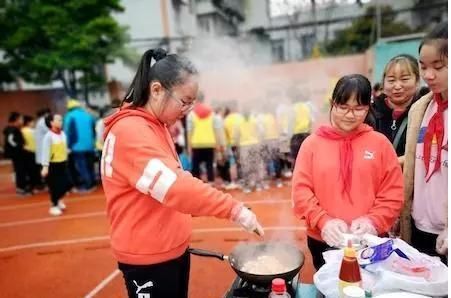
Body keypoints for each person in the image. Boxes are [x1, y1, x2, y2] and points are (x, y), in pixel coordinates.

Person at [100, 48, 263, 298]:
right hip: (148, 257)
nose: (187, 109)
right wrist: (234, 209)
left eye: (192, 102)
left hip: (168, 248)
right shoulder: (131, 132)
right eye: (184, 101)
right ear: (156, 90)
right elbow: (176, 187)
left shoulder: (157, 126)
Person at [292, 74, 404, 270]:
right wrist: (323, 221)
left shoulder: (380, 144)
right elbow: (301, 191)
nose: (350, 115)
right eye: (343, 107)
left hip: (370, 241)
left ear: (368, 108)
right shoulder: (312, 144)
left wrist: (373, 221)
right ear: (332, 103)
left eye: (358, 108)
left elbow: (393, 193)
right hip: (323, 240)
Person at [400, 22, 448, 264]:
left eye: (439, 67)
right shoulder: (420, 109)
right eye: (424, 67)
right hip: (419, 228)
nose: (429, 75)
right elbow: (415, 160)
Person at [374, 54, 420, 163]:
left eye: (404, 79)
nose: (397, 86)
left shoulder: (426, 112)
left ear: (417, 81)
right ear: (383, 84)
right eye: (391, 80)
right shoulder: (371, 111)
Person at [41, 114, 71, 216]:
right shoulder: (48, 136)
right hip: (53, 165)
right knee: (55, 186)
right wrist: (45, 167)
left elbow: (64, 146)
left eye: (61, 120)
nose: (61, 122)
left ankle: (58, 200)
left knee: (65, 184)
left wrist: (66, 152)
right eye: (58, 120)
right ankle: (54, 205)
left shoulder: (62, 134)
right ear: (51, 123)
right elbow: (45, 152)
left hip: (63, 163)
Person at [63, 99, 96, 191]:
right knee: (90, 165)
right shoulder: (88, 115)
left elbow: (68, 132)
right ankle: (93, 183)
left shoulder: (69, 116)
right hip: (90, 145)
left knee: (82, 166)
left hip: (77, 146)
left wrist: (68, 146)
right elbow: (93, 131)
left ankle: (87, 185)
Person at [186, 92, 218, 183]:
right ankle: (211, 183)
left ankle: (197, 184)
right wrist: (217, 143)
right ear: (204, 99)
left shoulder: (191, 114)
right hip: (210, 143)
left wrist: (189, 146)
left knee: (195, 166)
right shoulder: (212, 113)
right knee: (209, 165)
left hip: (196, 143)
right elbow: (215, 129)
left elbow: (189, 131)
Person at [3, 112, 30, 195]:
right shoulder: (12, 129)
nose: (22, 121)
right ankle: (20, 189)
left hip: (19, 153)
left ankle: (23, 187)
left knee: (21, 170)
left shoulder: (15, 129)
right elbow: (10, 140)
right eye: (21, 119)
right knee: (20, 171)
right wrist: (20, 146)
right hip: (17, 154)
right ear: (16, 119)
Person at [22, 115, 44, 192]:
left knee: (30, 170)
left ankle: (34, 185)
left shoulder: (22, 131)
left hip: (27, 153)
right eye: (32, 122)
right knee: (36, 170)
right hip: (34, 152)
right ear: (28, 122)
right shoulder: (32, 131)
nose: (33, 123)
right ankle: (37, 185)